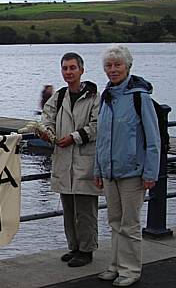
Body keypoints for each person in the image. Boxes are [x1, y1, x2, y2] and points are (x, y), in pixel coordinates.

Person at [93, 45, 160, 287]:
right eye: (109, 66)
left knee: (130, 225)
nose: (112, 70)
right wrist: (98, 170)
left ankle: (130, 270)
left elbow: (153, 139)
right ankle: (115, 265)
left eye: (117, 65)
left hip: (133, 172)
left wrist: (150, 173)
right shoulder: (107, 96)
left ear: (127, 67)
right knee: (114, 222)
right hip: (110, 172)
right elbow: (102, 138)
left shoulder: (139, 97)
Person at [41, 52, 101, 268]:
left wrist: (74, 137)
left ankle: (87, 250)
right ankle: (74, 246)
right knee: (68, 209)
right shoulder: (57, 97)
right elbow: (46, 119)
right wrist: (47, 132)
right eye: (65, 68)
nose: (68, 72)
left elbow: (97, 126)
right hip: (64, 159)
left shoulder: (95, 97)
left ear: (81, 70)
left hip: (84, 160)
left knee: (85, 209)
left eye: (72, 68)